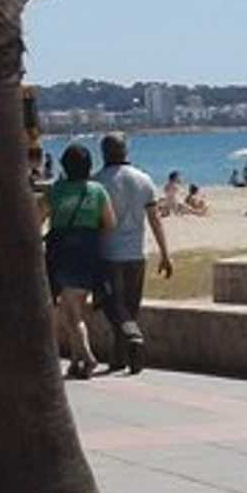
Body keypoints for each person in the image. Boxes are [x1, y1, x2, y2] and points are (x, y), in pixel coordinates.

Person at [97, 133, 174, 374]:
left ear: (103, 152)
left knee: (113, 305)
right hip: (137, 253)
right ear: (126, 151)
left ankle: (131, 341)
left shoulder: (97, 181)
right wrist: (165, 253)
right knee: (129, 308)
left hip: (109, 253)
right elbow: (155, 220)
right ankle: (122, 357)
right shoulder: (144, 179)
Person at [39, 141, 116, 381]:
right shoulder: (97, 190)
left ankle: (88, 357)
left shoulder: (56, 191)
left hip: (63, 253)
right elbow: (110, 223)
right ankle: (75, 360)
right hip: (89, 252)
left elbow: (37, 218)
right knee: (76, 308)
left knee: (71, 312)